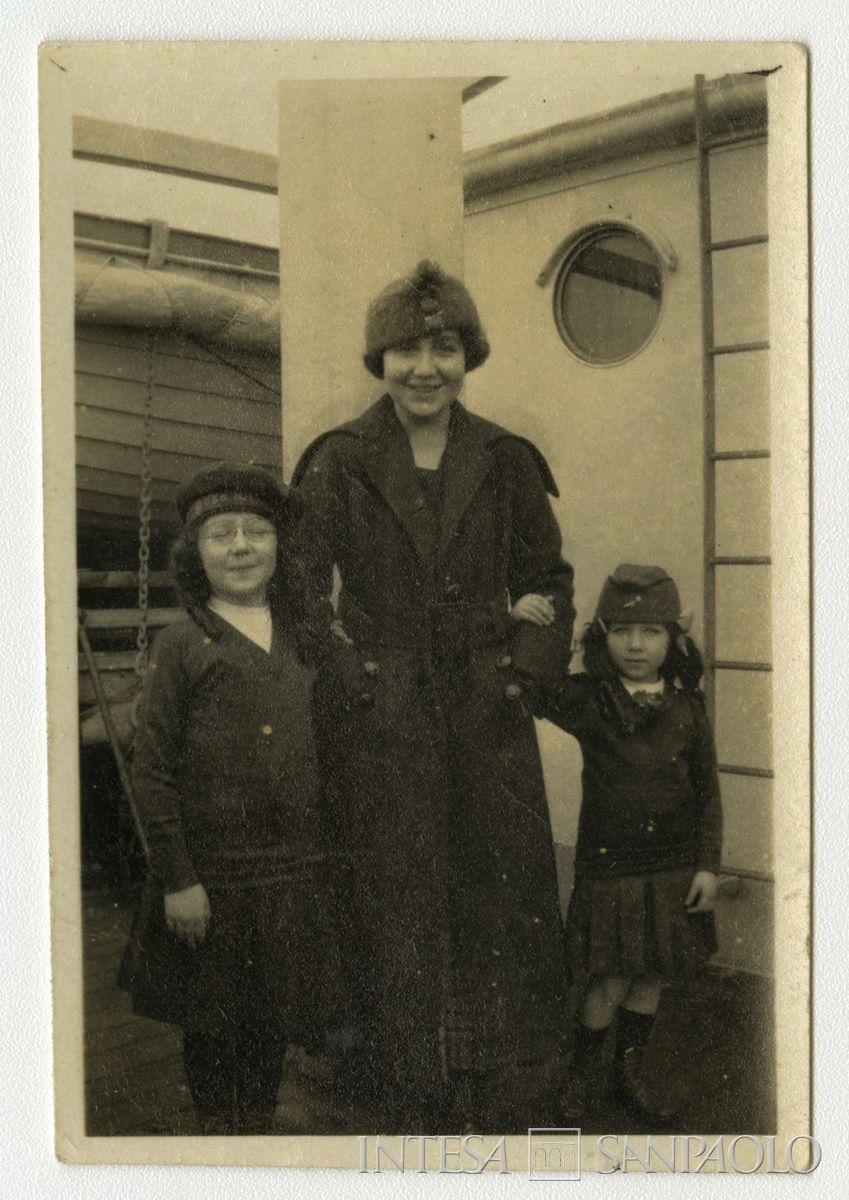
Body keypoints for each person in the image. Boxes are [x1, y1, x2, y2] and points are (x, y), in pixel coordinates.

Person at [292, 260, 576, 1131]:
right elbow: (299, 590)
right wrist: (351, 675)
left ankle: (498, 1074)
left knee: (495, 891)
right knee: (391, 889)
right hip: (384, 713)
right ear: (379, 359)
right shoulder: (338, 461)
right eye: (406, 350)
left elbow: (547, 577)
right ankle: (395, 1073)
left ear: (469, 356)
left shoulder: (505, 459)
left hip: (488, 709)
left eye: (444, 348)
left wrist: (522, 673)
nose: (425, 368)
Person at [119, 464, 345, 1135]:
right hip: (213, 878)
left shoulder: (308, 641)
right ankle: (218, 1137)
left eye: (256, 531)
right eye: (222, 534)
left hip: (287, 876)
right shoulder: (183, 645)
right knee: (212, 1023)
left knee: (270, 1019)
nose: (241, 546)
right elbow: (152, 771)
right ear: (196, 554)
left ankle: (257, 1135)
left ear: (279, 549)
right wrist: (179, 879)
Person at [530, 563, 722, 1122]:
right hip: (611, 870)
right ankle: (579, 1079)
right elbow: (537, 688)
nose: (636, 645)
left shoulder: (689, 709)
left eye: (652, 632)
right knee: (609, 980)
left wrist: (707, 867)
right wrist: (549, 636)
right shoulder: (590, 701)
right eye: (620, 631)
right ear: (602, 636)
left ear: (673, 639)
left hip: (672, 869)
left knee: (650, 977)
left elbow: (708, 793)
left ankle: (626, 1077)